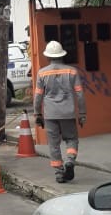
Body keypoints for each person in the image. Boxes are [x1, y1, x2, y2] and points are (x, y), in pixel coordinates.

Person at [33, 40, 86, 184]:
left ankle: (59, 173)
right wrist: (82, 114)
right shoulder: (71, 71)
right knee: (72, 139)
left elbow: (38, 96)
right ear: (62, 55)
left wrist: (37, 114)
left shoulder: (42, 73)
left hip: (50, 114)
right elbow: (80, 94)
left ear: (48, 56)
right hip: (68, 113)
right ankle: (69, 160)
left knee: (53, 144)